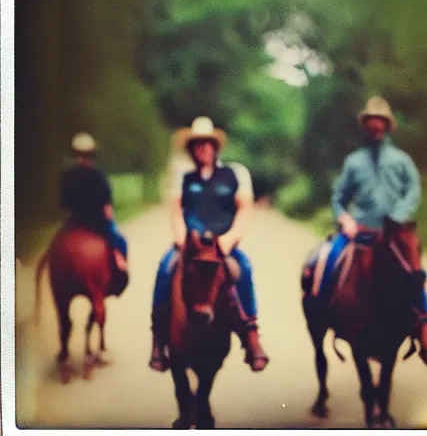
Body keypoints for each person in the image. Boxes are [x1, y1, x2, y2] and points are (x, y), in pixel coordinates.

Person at [306, 96, 427, 366]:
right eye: (371, 121)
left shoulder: (401, 161)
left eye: (380, 121)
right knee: (323, 260)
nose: (375, 126)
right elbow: (338, 198)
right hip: (361, 233)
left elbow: (413, 192)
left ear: (388, 126)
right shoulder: (354, 162)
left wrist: (397, 216)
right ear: (366, 125)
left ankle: (426, 333)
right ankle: (322, 311)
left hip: (393, 236)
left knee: (413, 273)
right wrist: (345, 219)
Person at [149, 116, 269, 373]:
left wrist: (228, 240)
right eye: (197, 144)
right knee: (164, 268)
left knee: (243, 269)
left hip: (221, 245)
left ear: (215, 147)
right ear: (191, 149)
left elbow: (244, 211)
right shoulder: (184, 177)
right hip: (190, 246)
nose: (203, 148)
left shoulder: (235, 174)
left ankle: (251, 337)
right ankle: (158, 339)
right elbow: (176, 211)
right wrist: (182, 240)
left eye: (207, 144)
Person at [59, 132, 128, 293]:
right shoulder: (98, 175)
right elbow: (107, 206)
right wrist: (109, 220)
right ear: (92, 154)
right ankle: (119, 266)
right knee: (121, 242)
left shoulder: (67, 175)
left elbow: (63, 205)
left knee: (55, 246)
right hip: (96, 223)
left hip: (74, 223)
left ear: (75, 153)